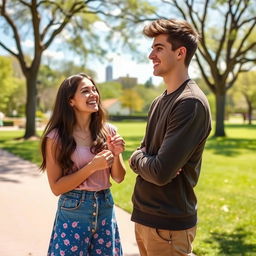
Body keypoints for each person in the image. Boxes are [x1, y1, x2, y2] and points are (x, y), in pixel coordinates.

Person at [129, 19, 212, 256]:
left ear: (180, 53)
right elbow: (144, 153)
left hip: (168, 227)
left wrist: (140, 159)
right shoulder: (159, 101)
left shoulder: (190, 103)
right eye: (152, 48)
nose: (151, 55)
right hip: (144, 217)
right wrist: (142, 157)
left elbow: (160, 172)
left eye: (158, 48)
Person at [40, 73, 126, 256]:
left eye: (94, 89)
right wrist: (92, 167)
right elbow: (56, 187)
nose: (93, 94)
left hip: (105, 207)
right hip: (73, 211)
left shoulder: (108, 131)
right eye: (86, 91)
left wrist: (117, 154)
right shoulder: (56, 138)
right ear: (70, 101)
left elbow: (118, 177)